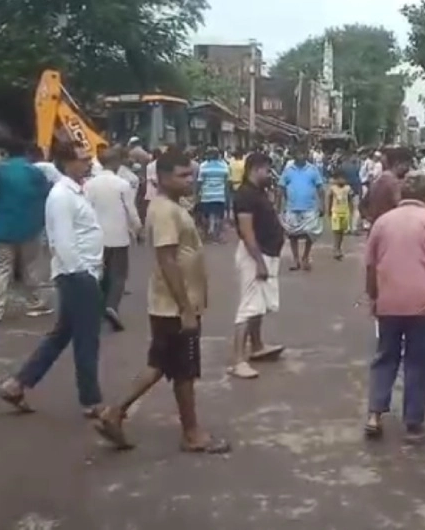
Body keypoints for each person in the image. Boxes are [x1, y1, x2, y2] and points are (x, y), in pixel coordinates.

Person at [95, 149, 231, 454]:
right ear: (165, 178)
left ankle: (115, 413)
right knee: (183, 371)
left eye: (191, 174)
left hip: (171, 304)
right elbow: (167, 259)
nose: (190, 180)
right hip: (174, 307)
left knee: (160, 365)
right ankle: (191, 434)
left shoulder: (169, 207)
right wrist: (185, 308)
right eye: (183, 175)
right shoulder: (166, 211)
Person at [0, 142, 106, 418]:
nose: (89, 163)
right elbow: (63, 242)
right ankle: (91, 400)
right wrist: (82, 274)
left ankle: (17, 384)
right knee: (86, 339)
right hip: (77, 275)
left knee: (61, 335)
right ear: (67, 163)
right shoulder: (61, 196)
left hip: (81, 273)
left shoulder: (75, 191)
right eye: (83, 159)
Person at [363, 172, 425, 445]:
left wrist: (374, 296)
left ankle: (374, 415)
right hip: (423, 304)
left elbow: (370, 266)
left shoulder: (383, 222)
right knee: (418, 363)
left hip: (388, 302)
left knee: (385, 357)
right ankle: (414, 424)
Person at [228, 152, 287, 380]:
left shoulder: (257, 192)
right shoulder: (245, 195)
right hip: (255, 255)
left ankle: (257, 345)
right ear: (255, 169)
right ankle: (238, 360)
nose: (269, 174)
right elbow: (247, 232)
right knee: (249, 306)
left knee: (258, 305)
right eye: (267, 170)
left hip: (266, 253)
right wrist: (259, 262)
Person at [0, 137, 52, 324]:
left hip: (2, 227)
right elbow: (46, 194)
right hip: (29, 227)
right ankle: (35, 302)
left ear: (6, 153)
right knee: (31, 267)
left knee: (0, 268)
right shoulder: (34, 172)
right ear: (26, 153)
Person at [85, 146, 143, 332]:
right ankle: (112, 306)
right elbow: (131, 210)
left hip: (96, 236)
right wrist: (138, 229)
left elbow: (85, 210)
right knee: (118, 274)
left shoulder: (89, 185)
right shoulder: (122, 184)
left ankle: (100, 307)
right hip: (118, 236)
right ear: (116, 162)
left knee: (100, 274)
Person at [280, 151, 325, 271]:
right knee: (292, 235)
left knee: (311, 233)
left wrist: (322, 205)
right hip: (292, 207)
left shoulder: (313, 170)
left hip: (310, 207)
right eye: (298, 153)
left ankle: (305, 256)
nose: (300, 155)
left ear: (307, 155)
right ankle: (295, 259)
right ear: (293, 155)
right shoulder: (288, 170)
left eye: (303, 153)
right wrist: (279, 206)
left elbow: (320, 188)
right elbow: (281, 187)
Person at [365, 147, 411, 226]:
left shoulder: (379, 179)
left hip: (376, 224)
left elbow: (364, 204)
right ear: (397, 164)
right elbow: (399, 204)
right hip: (388, 225)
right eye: (406, 165)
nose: (407, 169)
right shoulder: (393, 182)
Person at [197, 148, 230, 241]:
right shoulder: (224, 166)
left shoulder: (203, 166)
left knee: (206, 216)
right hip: (220, 195)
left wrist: (197, 194)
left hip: (206, 195)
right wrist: (227, 195)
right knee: (219, 216)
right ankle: (217, 235)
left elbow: (200, 182)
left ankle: (207, 235)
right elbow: (227, 182)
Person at [326, 171, 353, 259]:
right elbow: (330, 199)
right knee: (336, 231)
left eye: (343, 179)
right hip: (335, 212)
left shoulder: (348, 188)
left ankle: (339, 247)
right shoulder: (333, 188)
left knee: (341, 231)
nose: (341, 180)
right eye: (339, 179)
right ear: (336, 179)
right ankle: (336, 248)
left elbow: (350, 200)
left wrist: (351, 210)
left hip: (345, 212)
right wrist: (329, 210)